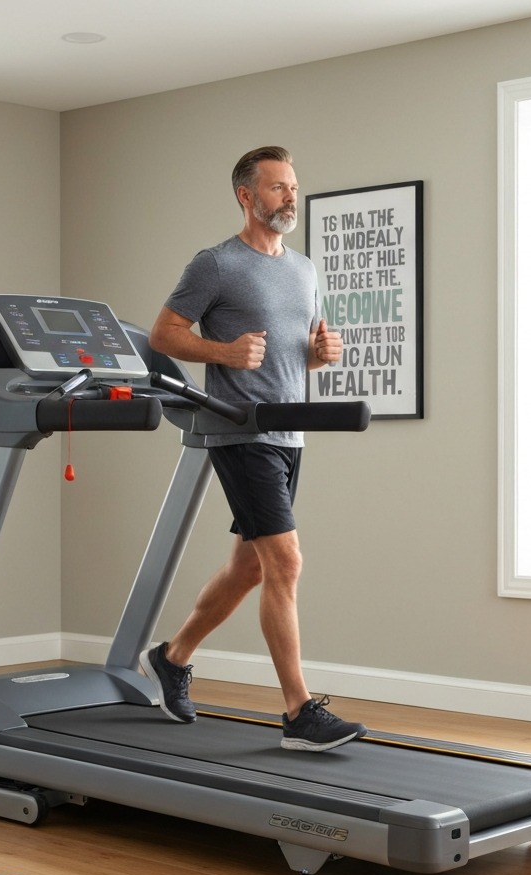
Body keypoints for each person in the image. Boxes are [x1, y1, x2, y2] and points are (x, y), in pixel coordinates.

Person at [140, 145, 367, 752]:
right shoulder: (216, 264)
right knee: (286, 563)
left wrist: (319, 355)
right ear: (247, 196)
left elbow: (294, 355)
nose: (290, 196)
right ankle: (298, 712)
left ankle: (171, 658)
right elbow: (163, 334)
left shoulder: (304, 269)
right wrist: (223, 352)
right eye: (277, 187)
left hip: (289, 433)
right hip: (241, 431)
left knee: (250, 567)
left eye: (293, 186)